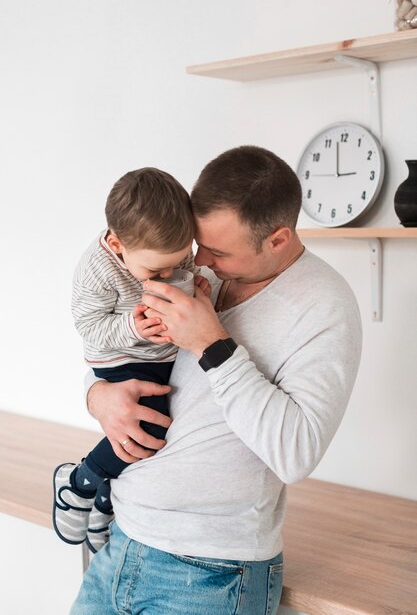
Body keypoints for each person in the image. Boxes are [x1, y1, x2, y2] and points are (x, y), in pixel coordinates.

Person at [70, 145, 362, 615]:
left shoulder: (324, 306)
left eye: (218, 250)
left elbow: (297, 453)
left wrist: (213, 344)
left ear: (278, 240)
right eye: (199, 243)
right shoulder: (190, 268)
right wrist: (97, 395)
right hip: (120, 542)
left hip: (211, 575)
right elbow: (120, 351)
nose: (199, 260)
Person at [53, 167, 210, 553]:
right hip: (118, 357)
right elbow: (89, 328)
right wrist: (133, 329)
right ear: (117, 243)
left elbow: (183, 274)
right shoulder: (96, 271)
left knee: (168, 427)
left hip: (161, 353)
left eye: (180, 261)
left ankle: (107, 493)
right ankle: (81, 482)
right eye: (157, 271)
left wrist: (197, 284)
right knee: (149, 426)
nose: (170, 275)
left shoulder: (168, 253)